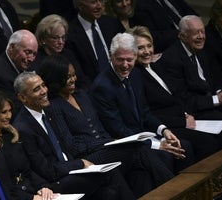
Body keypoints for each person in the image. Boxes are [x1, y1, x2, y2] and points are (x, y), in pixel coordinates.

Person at [37, 54, 185, 196]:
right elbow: (71, 146)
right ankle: (179, 191)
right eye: (67, 77)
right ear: (56, 79)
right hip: (88, 157)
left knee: (141, 173)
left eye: (73, 75)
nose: (72, 79)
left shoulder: (81, 95)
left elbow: (101, 128)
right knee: (137, 149)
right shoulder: (53, 106)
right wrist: (106, 143)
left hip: (107, 147)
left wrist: (111, 142)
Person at [13, 71, 137, 200]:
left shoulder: (48, 111)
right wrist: (80, 163)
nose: (44, 91)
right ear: (22, 98)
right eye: (36, 89)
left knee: (110, 191)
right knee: (110, 173)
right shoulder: (23, 129)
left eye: (43, 85)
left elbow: (67, 145)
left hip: (71, 169)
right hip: (55, 182)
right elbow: (46, 170)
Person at [127, 25, 222, 160]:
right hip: (167, 126)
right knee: (208, 143)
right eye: (140, 48)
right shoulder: (134, 76)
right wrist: (182, 122)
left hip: (183, 117)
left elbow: (177, 95)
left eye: (149, 46)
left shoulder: (156, 66)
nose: (147, 51)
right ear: (131, 51)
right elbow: (149, 113)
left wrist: (186, 114)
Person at [90, 33, 194, 172]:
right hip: (126, 144)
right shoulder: (102, 87)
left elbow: (144, 112)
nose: (125, 65)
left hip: (143, 135)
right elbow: (117, 129)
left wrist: (164, 130)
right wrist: (156, 144)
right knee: (165, 155)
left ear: (135, 56)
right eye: (120, 60)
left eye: (129, 60)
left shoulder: (135, 75)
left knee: (184, 146)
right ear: (110, 55)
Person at [158, 15, 222, 138]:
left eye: (202, 31)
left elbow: (212, 79)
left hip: (212, 99)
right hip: (196, 108)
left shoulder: (200, 49)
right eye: (196, 33)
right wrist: (217, 99)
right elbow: (184, 99)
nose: (201, 36)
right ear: (183, 36)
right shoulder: (171, 59)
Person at [0, 90, 60, 200]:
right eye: (3, 112)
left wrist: (43, 186)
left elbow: (27, 171)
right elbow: (3, 186)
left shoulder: (11, 136)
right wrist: (31, 198)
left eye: (10, 111)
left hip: (31, 190)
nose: (8, 116)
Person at [66, 0, 125, 81]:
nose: (99, 6)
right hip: (92, 88)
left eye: (101, 1)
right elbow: (78, 73)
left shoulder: (112, 23)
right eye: (93, 2)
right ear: (80, 6)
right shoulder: (70, 34)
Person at [31, 14, 91, 90]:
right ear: (43, 39)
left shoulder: (68, 54)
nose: (61, 42)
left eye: (63, 37)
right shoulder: (36, 60)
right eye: (56, 38)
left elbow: (82, 80)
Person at [0, 29, 38, 115]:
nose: (31, 58)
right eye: (28, 52)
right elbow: (15, 111)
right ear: (12, 47)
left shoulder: (23, 62)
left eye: (34, 54)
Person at [132, 0, 197, 53]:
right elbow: (154, 38)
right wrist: (182, 33)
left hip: (191, 35)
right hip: (173, 46)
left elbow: (192, 13)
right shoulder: (141, 6)